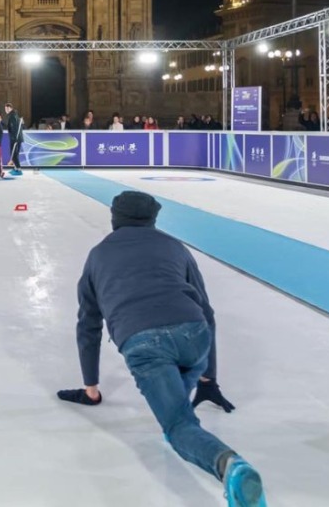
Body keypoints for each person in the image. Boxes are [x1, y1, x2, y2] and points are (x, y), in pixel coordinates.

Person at [60, 191, 264, 507]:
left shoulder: (97, 256)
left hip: (143, 342)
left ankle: (229, 465)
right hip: (194, 335)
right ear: (153, 218)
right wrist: (208, 379)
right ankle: (177, 420)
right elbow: (207, 312)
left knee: (179, 425)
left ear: (115, 218)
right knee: (177, 404)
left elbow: (88, 325)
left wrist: (91, 388)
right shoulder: (174, 246)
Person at [3, 102, 25, 174]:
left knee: (13, 154)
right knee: (15, 154)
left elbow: (15, 128)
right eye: (5, 108)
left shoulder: (12, 116)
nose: (6, 110)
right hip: (16, 138)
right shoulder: (13, 115)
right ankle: (16, 168)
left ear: (11, 108)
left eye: (8, 108)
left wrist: (15, 138)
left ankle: (18, 169)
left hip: (15, 138)